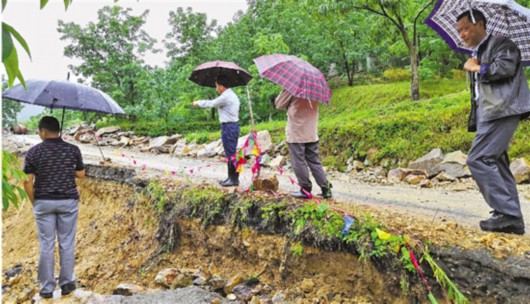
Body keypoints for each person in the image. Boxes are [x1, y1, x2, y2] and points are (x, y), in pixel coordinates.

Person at [456, 9, 530, 235]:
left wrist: (476, 67)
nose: (462, 35)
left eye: (465, 29)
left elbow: (504, 69)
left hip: (503, 109)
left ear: (480, 25)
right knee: (495, 161)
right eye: (459, 32)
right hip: (491, 112)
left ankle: (507, 213)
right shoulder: (483, 49)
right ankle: (510, 217)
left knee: (479, 158)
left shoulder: (502, 43)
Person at [23, 116, 85, 298]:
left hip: (43, 202)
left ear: (43, 131)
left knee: (46, 245)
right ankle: (66, 284)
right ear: (58, 130)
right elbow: (81, 174)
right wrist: (66, 167)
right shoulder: (72, 150)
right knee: (66, 243)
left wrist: (35, 202)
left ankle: (47, 288)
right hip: (67, 202)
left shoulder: (34, 152)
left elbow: (27, 181)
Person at [275, 89, 332, 199]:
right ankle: (326, 188)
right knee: (314, 160)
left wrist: (282, 92)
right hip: (311, 131)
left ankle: (305, 189)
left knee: (298, 161)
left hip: (297, 132)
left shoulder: (292, 88)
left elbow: (278, 105)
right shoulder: (314, 89)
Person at [193, 75, 241, 187]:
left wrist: (198, 103)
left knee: (231, 153)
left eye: (216, 86)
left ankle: (233, 179)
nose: (216, 89)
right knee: (230, 152)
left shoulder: (226, 96)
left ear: (221, 86)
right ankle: (231, 177)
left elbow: (212, 103)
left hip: (229, 127)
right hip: (231, 126)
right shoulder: (230, 95)